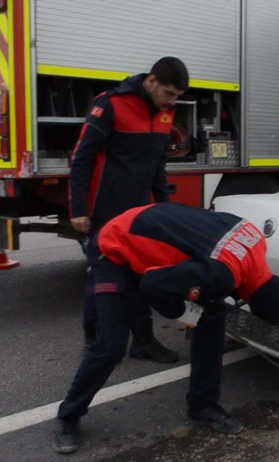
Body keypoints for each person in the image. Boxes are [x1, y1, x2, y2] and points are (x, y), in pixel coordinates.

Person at [53, 202, 279, 454]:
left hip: (146, 221)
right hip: (114, 246)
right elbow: (151, 285)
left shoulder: (255, 239)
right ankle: (68, 416)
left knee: (212, 320)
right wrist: (186, 314)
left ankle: (203, 407)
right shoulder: (221, 275)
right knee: (111, 345)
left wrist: (201, 304)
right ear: (254, 305)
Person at [70, 57, 190, 363]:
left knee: (141, 275)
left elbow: (158, 166)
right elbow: (82, 157)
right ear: (151, 82)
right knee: (102, 278)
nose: (171, 102)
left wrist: (164, 209)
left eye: (176, 96)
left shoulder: (166, 113)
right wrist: (78, 208)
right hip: (104, 211)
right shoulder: (111, 104)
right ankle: (94, 343)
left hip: (140, 211)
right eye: (168, 93)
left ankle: (143, 342)